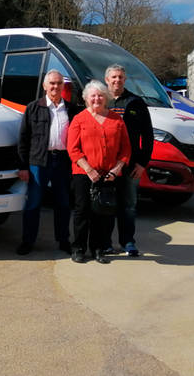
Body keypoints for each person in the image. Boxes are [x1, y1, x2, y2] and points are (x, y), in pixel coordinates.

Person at [67, 80, 131, 264]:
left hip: (108, 175)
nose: (97, 98)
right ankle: (78, 248)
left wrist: (116, 169)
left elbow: (126, 149)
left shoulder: (116, 119)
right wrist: (88, 169)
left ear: (106, 98)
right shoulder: (79, 119)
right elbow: (73, 148)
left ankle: (98, 249)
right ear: (86, 98)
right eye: (93, 95)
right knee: (82, 211)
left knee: (102, 213)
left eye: (100, 95)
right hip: (83, 173)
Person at [15, 69, 78, 256]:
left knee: (63, 203)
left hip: (63, 161)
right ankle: (28, 241)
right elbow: (23, 139)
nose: (55, 87)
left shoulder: (71, 109)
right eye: (52, 83)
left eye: (59, 83)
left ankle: (63, 240)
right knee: (33, 203)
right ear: (44, 86)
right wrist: (23, 167)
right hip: (38, 162)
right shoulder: (33, 108)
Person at [104, 64, 154, 257]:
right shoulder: (100, 100)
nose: (117, 80)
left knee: (128, 206)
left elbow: (148, 136)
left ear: (125, 80)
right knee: (106, 204)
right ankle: (106, 243)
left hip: (131, 165)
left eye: (121, 77)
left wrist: (142, 164)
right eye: (114, 77)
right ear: (107, 79)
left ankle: (128, 242)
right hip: (106, 165)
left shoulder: (136, 102)